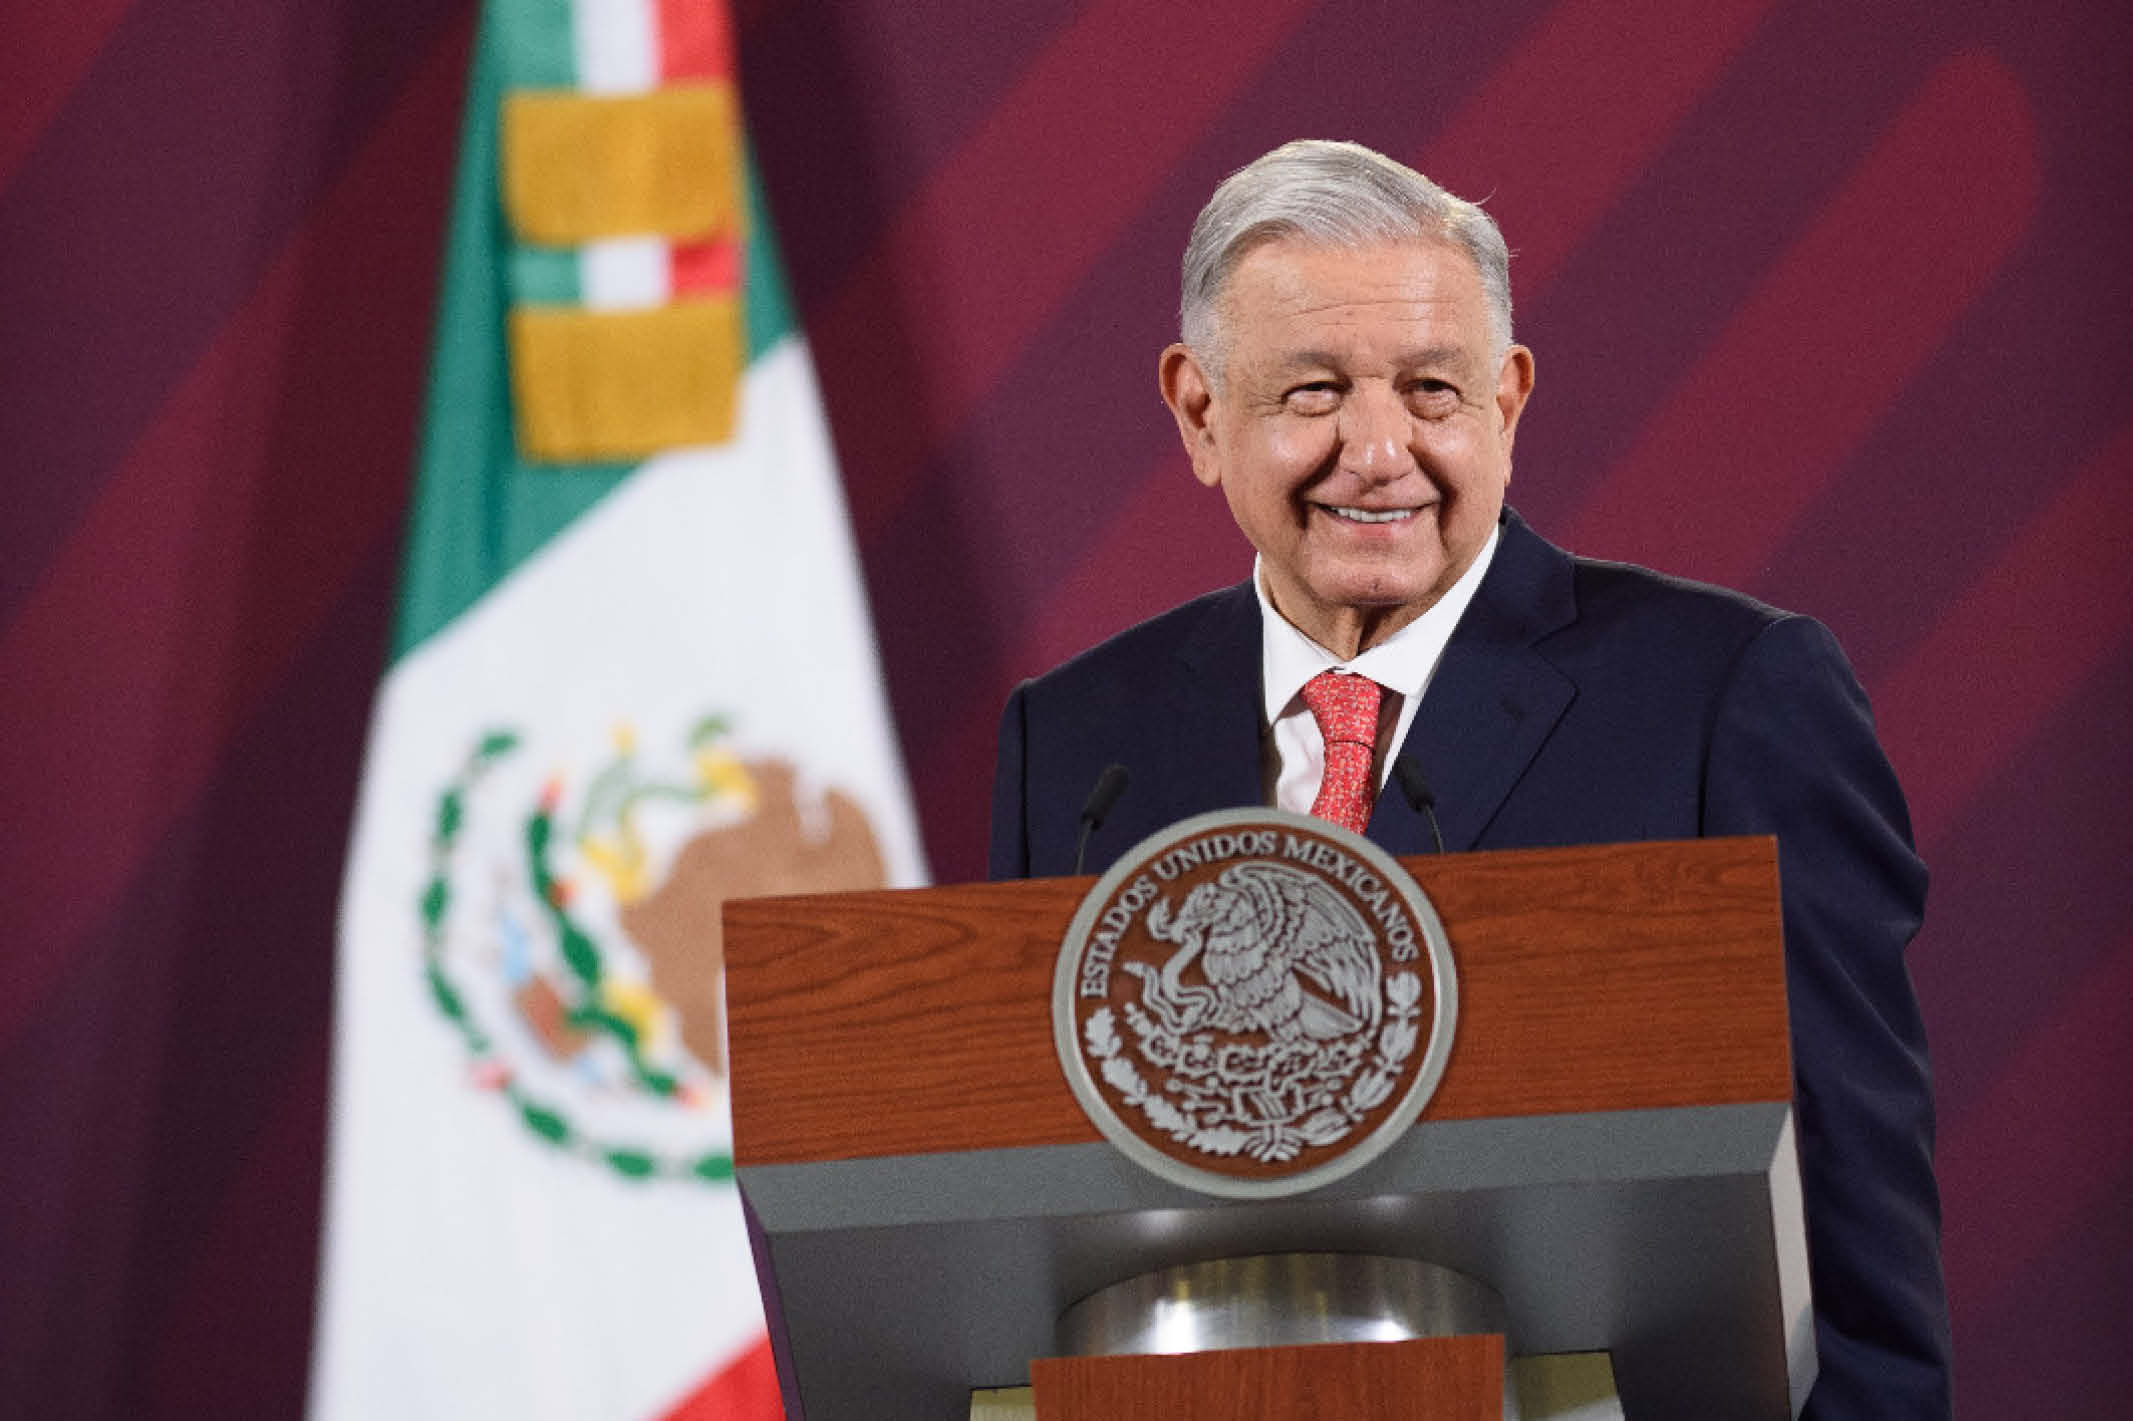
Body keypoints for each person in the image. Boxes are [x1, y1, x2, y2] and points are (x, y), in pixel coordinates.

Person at [989, 140, 1950, 1417]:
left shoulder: (1728, 696)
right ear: (1201, 412)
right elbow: (1012, 1207)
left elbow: (1856, 1242)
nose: (1378, 451)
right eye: (1315, 391)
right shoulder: (1078, 743)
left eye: (1431, 390)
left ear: (1508, 400)